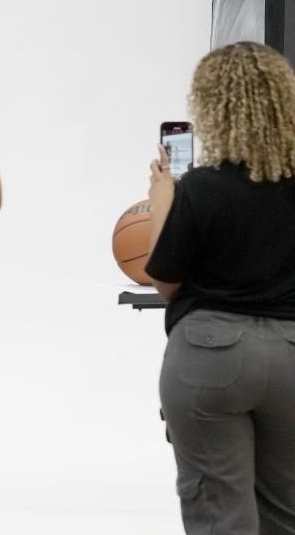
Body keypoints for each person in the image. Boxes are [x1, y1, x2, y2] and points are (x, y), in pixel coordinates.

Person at [145, 41, 295, 535]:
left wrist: (163, 196)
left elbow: (164, 281)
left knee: (219, 515)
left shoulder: (201, 186)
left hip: (211, 354)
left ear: (213, 107)